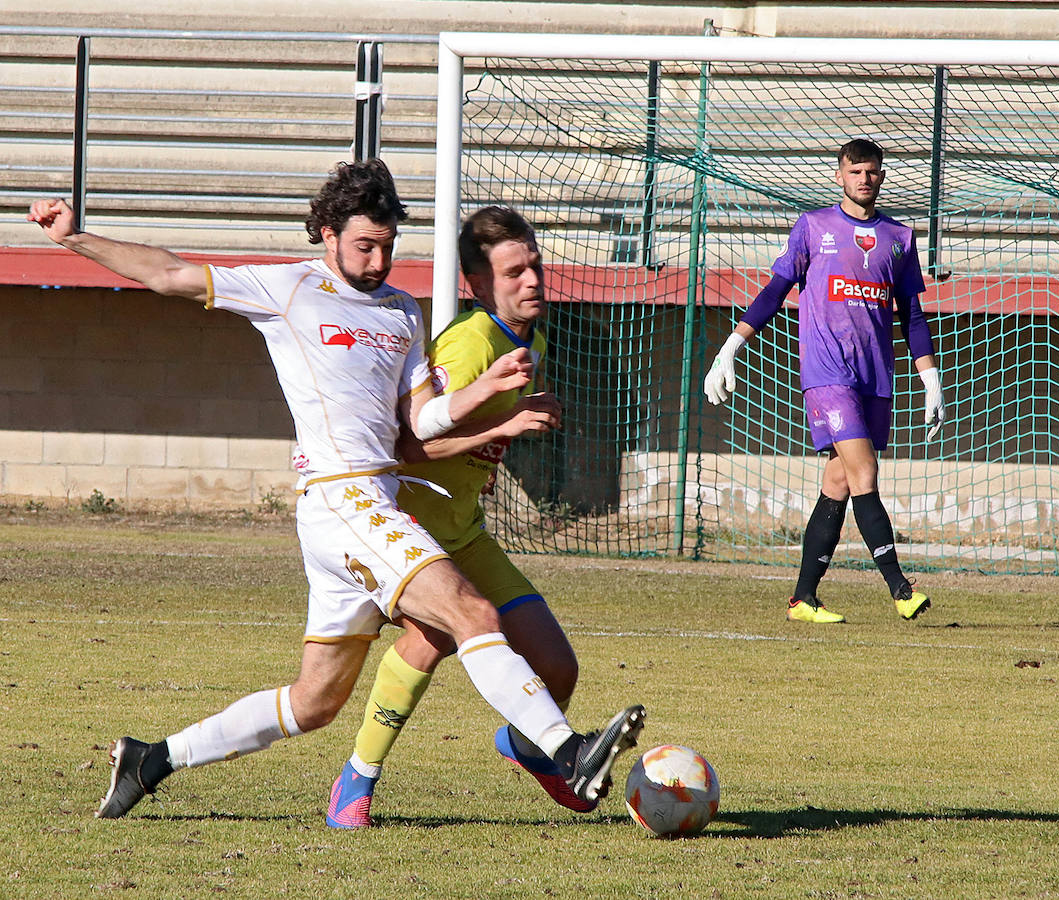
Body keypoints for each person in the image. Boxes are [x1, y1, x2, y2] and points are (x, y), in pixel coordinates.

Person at [27, 159, 645, 821]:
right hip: (339, 499)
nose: (378, 261)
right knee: (472, 613)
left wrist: (483, 393)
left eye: (387, 246)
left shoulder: (403, 313)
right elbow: (170, 273)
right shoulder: (287, 288)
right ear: (326, 233)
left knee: (313, 703)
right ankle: (570, 751)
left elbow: (422, 422)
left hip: (372, 506)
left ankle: (150, 760)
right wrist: (75, 237)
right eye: (364, 246)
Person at [326, 206, 590, 828]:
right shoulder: (470, 343)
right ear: (477, 284)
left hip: (464, 528)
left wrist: (526, 411)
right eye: (514, 272)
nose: (532, 281)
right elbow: (409, 445)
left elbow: (484, 426)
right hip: (408, 529)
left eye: (536, 267)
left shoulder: (532, 336)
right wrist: (508, 424)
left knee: (557, 667)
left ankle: (527, 746)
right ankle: (355, 782)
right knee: (436, 634)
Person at [704, 138, 945, 624]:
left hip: (875, 376)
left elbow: (912, 315)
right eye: (855, 171)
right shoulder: (814, 227)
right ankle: (900, 588)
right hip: (827, 375)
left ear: (881, 176)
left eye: (872, 171)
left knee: (837, 481)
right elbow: (775, 291)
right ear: (840, 175)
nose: (865, 179)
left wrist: (931, 380)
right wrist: (730, 348)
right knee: (864, 473)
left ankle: (802, 600)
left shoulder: (899, 237)